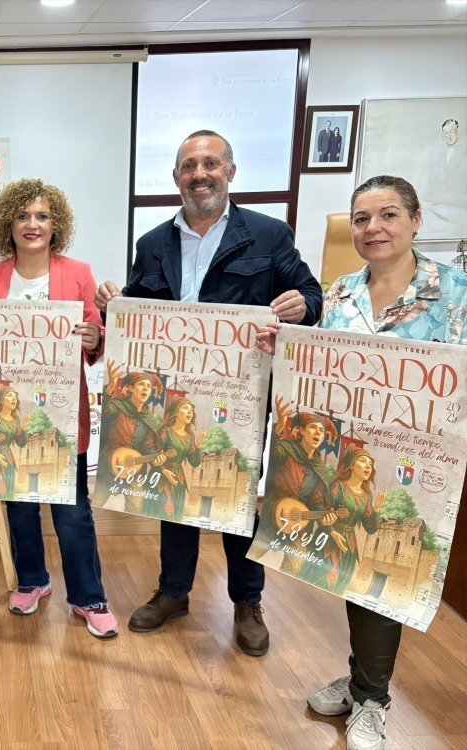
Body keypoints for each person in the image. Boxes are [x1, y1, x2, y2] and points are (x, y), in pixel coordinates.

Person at [95, 130, 324, 655]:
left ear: (230, 172)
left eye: (211, 164)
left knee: (238, 494)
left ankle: (247, 602)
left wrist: (301, 307)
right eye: (189, 166)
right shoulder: (152, 243)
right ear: (176, 176)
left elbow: (311, 295)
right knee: (173, 488)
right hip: (173, 398)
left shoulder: (268, 235)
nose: (200, 174)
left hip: (240, 397)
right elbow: (139, 308)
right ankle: (174, 591)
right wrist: (115, 303)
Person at [258, 175, 467, 750]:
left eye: (389, 215)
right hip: (352, 465)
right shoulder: (341, 293)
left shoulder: (456, 294)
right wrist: (285, 351)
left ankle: (372, 699)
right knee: (357, 573)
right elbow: (325, 371)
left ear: (416, 221)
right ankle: (361, 682)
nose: (374, 228)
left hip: (417, 467)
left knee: (387, 578)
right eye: (362, 218)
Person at [0, 177, 118, 638]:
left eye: (42, 216)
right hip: (6, 412)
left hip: (60, 413)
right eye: (23, 216)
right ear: (9, 224)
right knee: (19, 504)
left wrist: (94, 338)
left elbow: (96, 335)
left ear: (56, 226)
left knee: (72, 511)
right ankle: (32, 580)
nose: (32, 224)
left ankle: (89, 596)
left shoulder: (78, 272)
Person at [255, 403, 336, 572]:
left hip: (297, 525)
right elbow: (272, 453)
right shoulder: (286, 449)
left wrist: (325, 518)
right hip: (271, 514)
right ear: (301, 431)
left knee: (295, 565)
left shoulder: (319, 468)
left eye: (321, 431)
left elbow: (316, 501)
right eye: (313, 428)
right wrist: (279, 426)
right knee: (252, 554)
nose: (317, 433)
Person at [297, 447, 385, 594]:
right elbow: (317, 504)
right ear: (351, 465)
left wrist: (376, 509)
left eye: (370, 464)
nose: (368, 466)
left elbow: (370, 528)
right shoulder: (337, 486)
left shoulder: (366, 496)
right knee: (319, 579)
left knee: (340, 584)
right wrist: (331, 531)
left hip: (348, 547)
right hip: (327, 539)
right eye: (363, 461)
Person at [92, 366, 166, 515]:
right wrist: (110, 386)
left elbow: (148, 446)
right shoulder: (117, 406)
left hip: (134, 470)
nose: (145, 389)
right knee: (95, 503)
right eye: (141, 384)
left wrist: (155, 458)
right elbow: (103, 411)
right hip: (108, 463)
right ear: (131, 388)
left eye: (149, 387)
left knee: (136, 509)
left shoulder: (149, 419)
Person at [156, 396, 202, 522]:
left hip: (179, 480)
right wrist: (163, 470)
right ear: (176, 412)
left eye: (191, 410)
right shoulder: (165, 432)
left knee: (176, 514)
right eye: (185, 408)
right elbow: (154, 455)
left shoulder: (189, 436)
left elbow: (195, 462)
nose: (189, 412)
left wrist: (199, 446)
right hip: (161, 477)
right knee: (163, 511)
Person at [0, 385, 29, 499]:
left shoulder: (16, 421)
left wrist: (24, 428)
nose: (14, 398)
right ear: (1, 400)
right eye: (9, 395)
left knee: (8, 491)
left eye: (15, 397)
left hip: (8, 460)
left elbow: (21, 443)